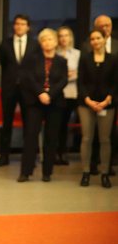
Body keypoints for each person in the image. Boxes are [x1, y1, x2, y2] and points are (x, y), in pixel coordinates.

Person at [18, 29, 68, 182]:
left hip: (55, 102)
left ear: (55, 42)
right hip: (35, 102)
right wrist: (41, 93)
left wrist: (50, 94)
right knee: (31, 136)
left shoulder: (61, 61)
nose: (47, 42)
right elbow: (28, 78)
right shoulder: (32, 59)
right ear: (40, 43)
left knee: (51, 137)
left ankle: (47, 172)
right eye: (44, 40)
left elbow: (63, 81)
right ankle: (25, 172)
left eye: (50, 39)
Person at [0, 14, 41, 166]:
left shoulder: (35, 45)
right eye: (17, 24)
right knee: (6, 123)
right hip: (9, 88)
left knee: (29, 124)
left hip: (28, 90)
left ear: (28, 27)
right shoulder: (5, 43)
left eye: (23, 24)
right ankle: (4, 157)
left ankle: (29, 158)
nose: (19, 26)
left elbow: (36, 67)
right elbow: (4, 64)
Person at [77, 29, 117, 188]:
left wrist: (107, 100)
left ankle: (105, 173)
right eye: (92, 39)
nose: (95, 41)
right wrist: (88, 100)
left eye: (98, 38)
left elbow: (115, 83)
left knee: (105, 139)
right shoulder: (85, 58)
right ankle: (86, 172)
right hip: (86, 104)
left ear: (104, 39)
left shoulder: (113, 59)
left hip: (107, 104)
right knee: (87, 138)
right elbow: (81, 82)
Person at [55, 26, 80, 165]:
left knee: (69, 125)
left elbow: (80, 73)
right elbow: (56, 75)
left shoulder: (77, 54)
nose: (64, 38)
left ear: (70, 37)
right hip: (58, 94)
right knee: (59, 125)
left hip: (73, 94)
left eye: (66, 35)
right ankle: (57, 153)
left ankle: (65, 153)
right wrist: (68, 74)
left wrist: (67, 75)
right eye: (61, 35)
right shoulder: (55, 54)